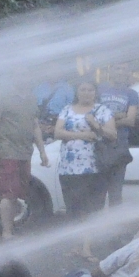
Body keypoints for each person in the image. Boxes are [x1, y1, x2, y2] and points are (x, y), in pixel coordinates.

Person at [0, 87, 49, 238]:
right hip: (7, 152)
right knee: (8, 193)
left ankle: (11, 228)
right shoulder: (2, 96)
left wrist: (42, 151)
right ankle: (6, 232)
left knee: (18, 193)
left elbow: (35, 126)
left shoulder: (32, 98)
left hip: (25, 153)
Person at [51, 80, 116, 222]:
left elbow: (112, 134)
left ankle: (90, 243)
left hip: (94, 169)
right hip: (69, 170)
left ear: (95, 93)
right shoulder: (67, 109)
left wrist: (95, 125)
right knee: (73, 209)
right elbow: (57, 133)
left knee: (92, 209)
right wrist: (82, 135)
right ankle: (77, 243)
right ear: (77, 92)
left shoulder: (103, 110)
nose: (86, 93)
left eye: (90, 90)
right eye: (83, 89)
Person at [97, 66, 139, 209]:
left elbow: (130, 121)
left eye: (123, 70)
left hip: (119, 147)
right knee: (98, 191)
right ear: (111, 71)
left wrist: (105, 122)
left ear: (128, 72)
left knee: (116, 192)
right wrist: (119, 116)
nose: (120, 72)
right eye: (118, 69)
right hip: (98, 146)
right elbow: (93, 116)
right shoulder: (100, 89)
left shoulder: (132, 93)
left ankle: (115, 229)